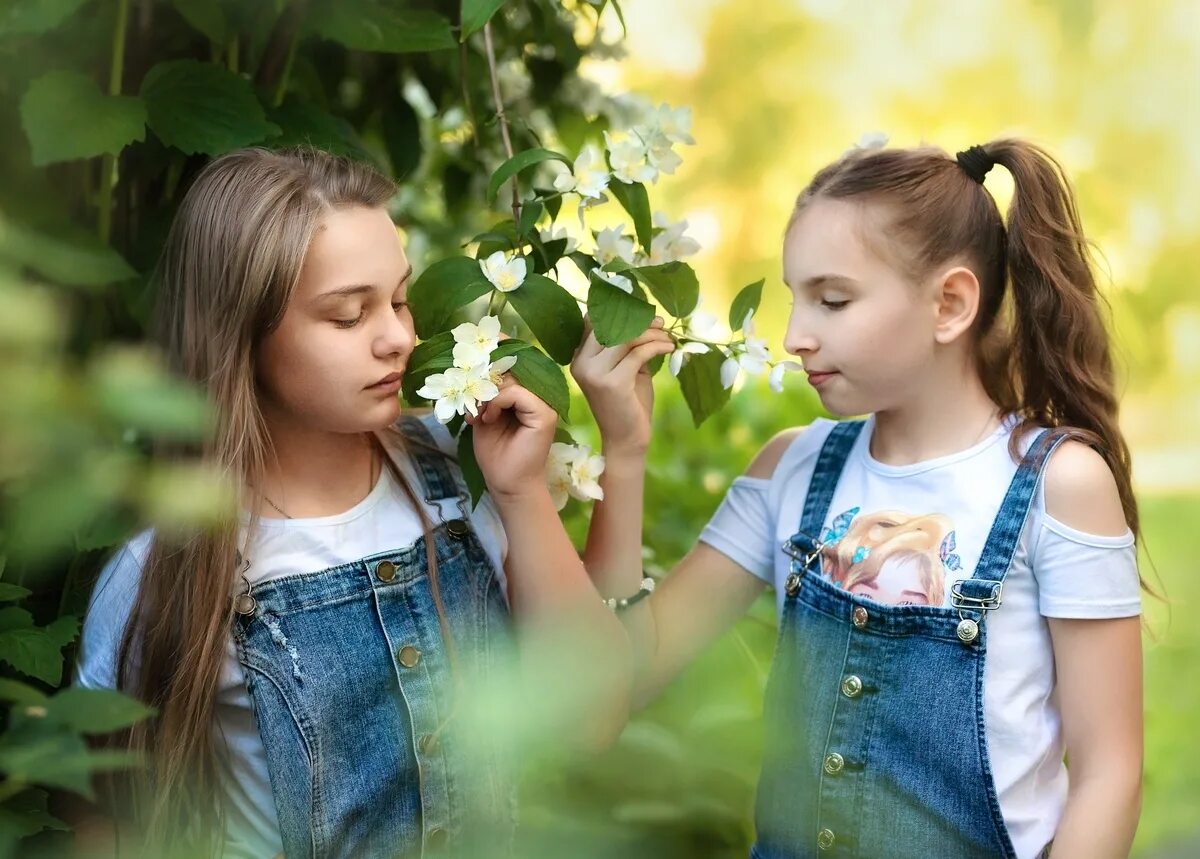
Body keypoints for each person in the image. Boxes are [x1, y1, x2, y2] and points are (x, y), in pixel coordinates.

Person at [574, 139, 1145, 858]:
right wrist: (622, 455)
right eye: (793, 298)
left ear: (951, 304)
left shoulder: (1058, 487)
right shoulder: (791, 467)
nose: (792, 337)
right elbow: (604, 697)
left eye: (832, 299)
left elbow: (1109, 774)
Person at [75, 147, 632, 858]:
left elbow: (594, 718)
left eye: (399, 299)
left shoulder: (463, 479)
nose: (399, 337)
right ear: (241, 335)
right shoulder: (169, 569)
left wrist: (521, 493)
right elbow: (102, 821)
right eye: (347, 315)